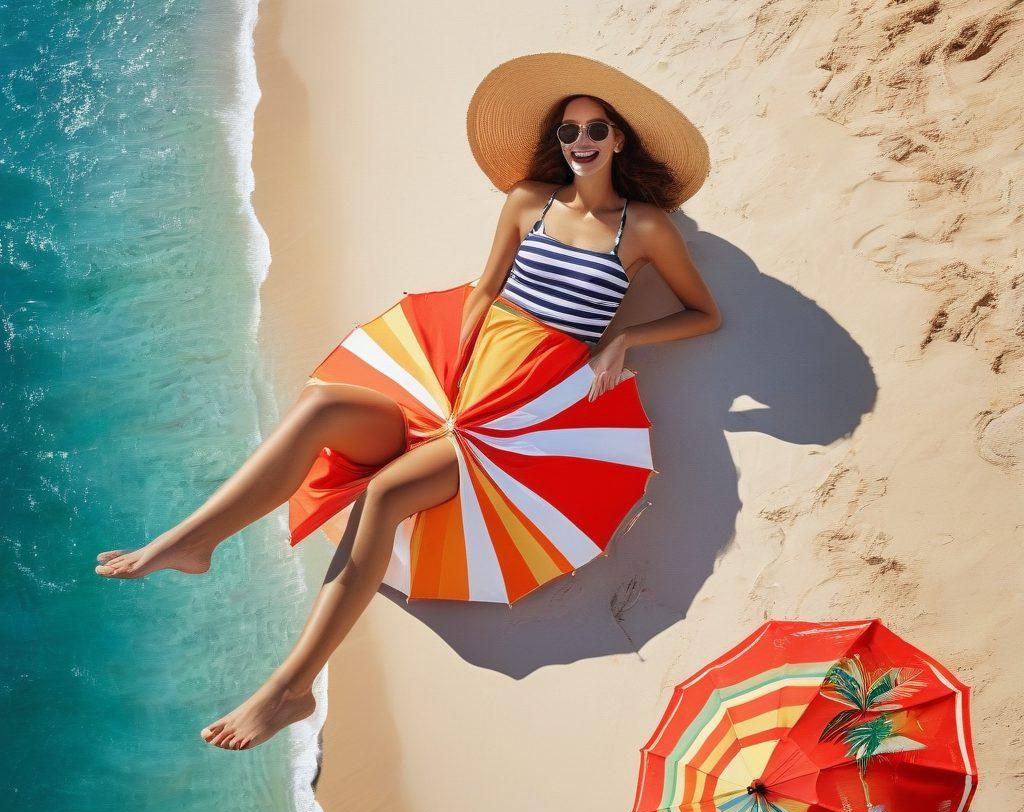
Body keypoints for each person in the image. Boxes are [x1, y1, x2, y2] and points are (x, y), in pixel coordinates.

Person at [95, 52, 722, 750]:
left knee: (383, 497)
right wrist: (452, 368)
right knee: (323, 409)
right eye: (569, 130)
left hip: (520, 425)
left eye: (596, 129)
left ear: (619, 139)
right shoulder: (527, 201)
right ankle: (195, 540)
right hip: (457, 385)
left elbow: (703, 312)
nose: (581, 142)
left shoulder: (645, 228)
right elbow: (486, 289)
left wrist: (625, 337)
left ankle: (290, 689)